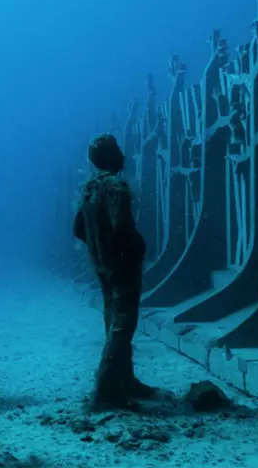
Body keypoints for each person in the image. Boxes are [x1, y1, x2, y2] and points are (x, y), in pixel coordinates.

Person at [73, 133, 156, 410]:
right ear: (110, 156)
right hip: (122, 264)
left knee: (112, 319)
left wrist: (100, 248)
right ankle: (106, 390)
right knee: (123, 324)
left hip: (101, 264)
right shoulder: (116, 186)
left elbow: (78, 228)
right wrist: (136, 248)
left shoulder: (89, 187)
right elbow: (122, 227)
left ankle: (125, 379)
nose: (123, 155)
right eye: (117, 151)